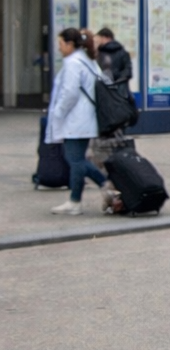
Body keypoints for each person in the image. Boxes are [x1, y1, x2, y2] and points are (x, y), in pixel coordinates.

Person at [44, 28, 108, 215]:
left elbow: (69, 93)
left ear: (70, 44)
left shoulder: (73, 63)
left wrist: (58, 113)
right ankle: (75, 200)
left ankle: (106, 186)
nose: (59, 48)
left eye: (61, 44)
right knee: (76, 159)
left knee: (75, 160)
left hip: (76, 120)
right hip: (85, 119)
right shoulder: (87, 61)